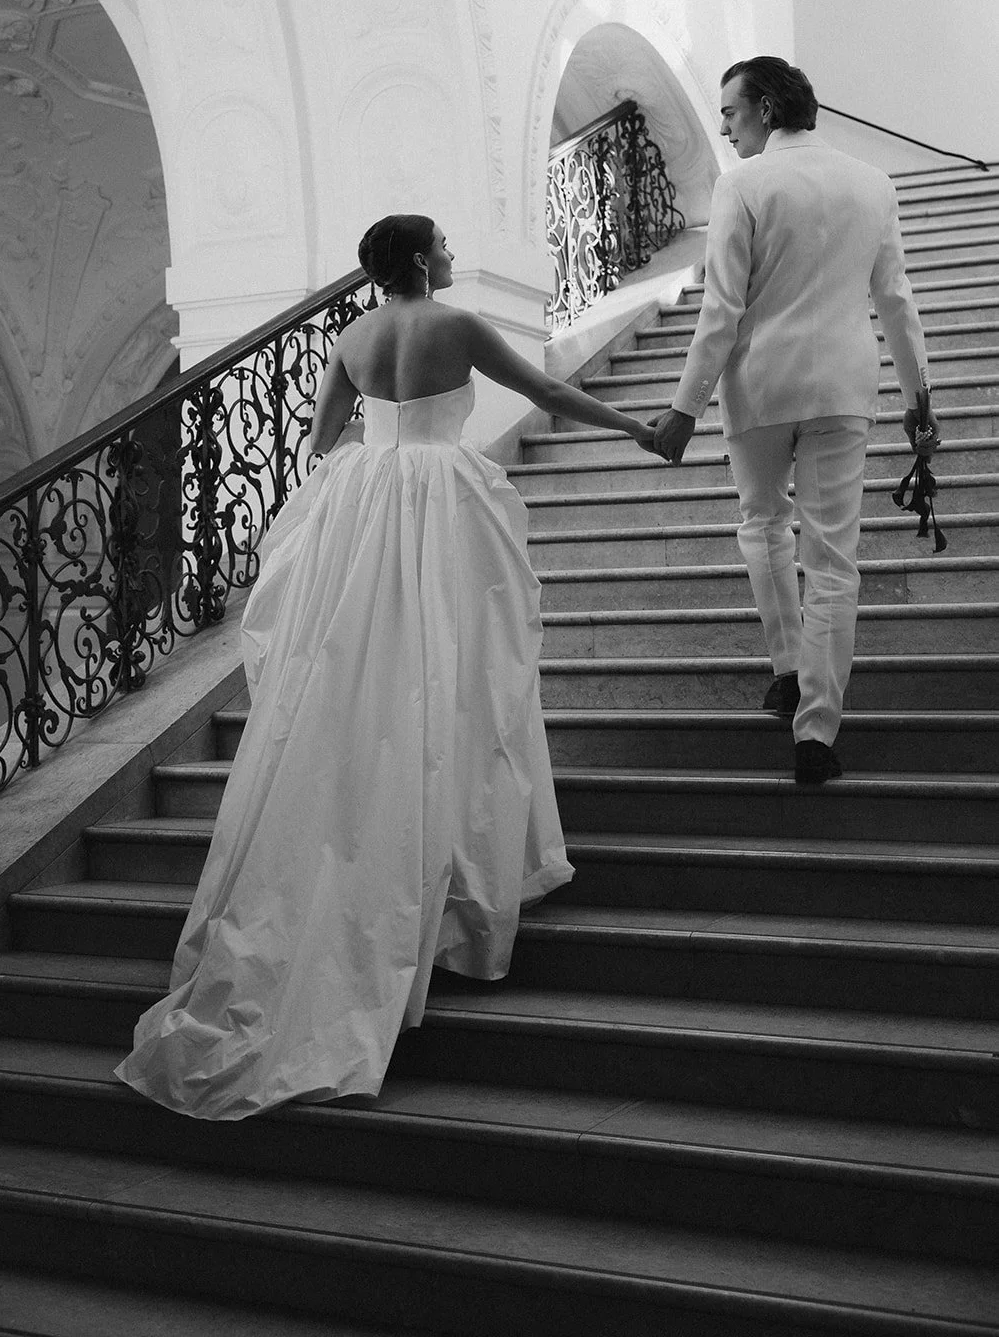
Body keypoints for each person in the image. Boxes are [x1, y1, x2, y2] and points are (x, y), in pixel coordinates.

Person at [115, 213, 660, 1117]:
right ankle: (450, 880)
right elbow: (550, 395)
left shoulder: (354, 335)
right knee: (456, 674)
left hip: (369, 502)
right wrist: (640, 429)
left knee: (374, 678)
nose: (452, 254)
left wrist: (351, 502)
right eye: (443, 244)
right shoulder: (458, 327)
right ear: (418, 260)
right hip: (443, 498)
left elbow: (323, 441)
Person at [650, 57, 937, 786]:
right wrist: (918, 400)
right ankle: (816, 733)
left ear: (768, 108)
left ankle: (785, 668)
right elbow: (895, 301)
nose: (721, 125)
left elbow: (720, 311)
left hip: (760, 385)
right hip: (843, 384)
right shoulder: (871, 183)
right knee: (834, 562)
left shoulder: (742, 185)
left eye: (730, 111)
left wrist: (683, 409)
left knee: (763, 526)